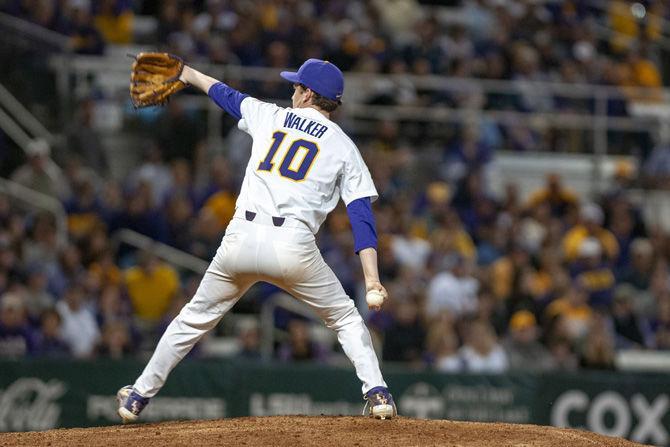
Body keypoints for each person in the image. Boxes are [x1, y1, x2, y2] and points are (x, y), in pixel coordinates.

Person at [117, 58, 396, 421]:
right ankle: (378, 395)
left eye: (296, 86)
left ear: (308, 93)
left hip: (241, 239)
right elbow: (361, 218)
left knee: (193, 318)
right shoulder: (345, 147)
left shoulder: (273, 116)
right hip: (294, 246)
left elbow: (225, 95)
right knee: (344, 318)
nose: (291, 91)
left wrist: (186, 74)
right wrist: (372, 279)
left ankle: (137, 396)